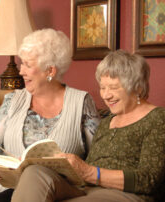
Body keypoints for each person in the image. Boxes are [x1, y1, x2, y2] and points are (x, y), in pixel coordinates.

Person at [0, 28, 100, 202]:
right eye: (21, 63)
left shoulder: (81, 103)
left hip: (50, 187)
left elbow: (98, 155)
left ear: (50, 71)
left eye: (28, 65)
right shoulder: (13, 100)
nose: (21, 71)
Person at [9, 50, 165, 202]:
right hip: (86, 189)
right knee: (34, 173)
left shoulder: (157, 118)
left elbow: (149, 180)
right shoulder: (107, 122)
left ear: (137, 88)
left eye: (114, 87)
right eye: (103, 87)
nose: (106, 95)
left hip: (123, 194)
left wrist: (89, 172)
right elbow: (87, 169)